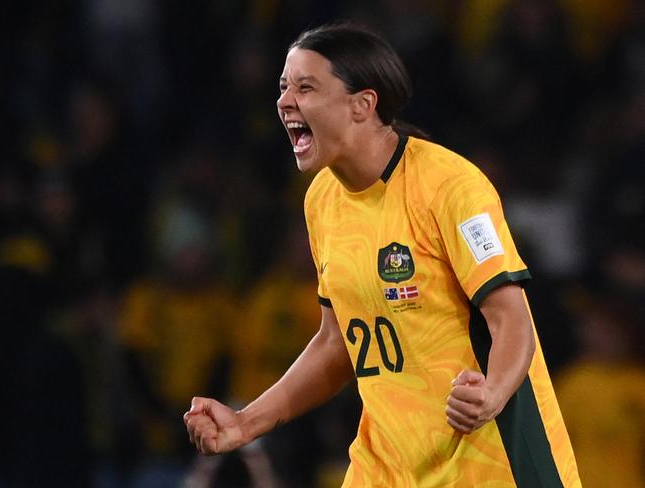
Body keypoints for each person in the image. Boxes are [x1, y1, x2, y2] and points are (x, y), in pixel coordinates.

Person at [184, 23, 581, 487]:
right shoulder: (321, 201)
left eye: (306, 87)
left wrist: (491, 394)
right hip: (387, 467)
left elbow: (512, 319)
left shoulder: (451, 186)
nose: (285, 101)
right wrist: (245, 422)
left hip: (487, 463)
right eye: (283, 86)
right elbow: (338, 344)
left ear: (363, 105)